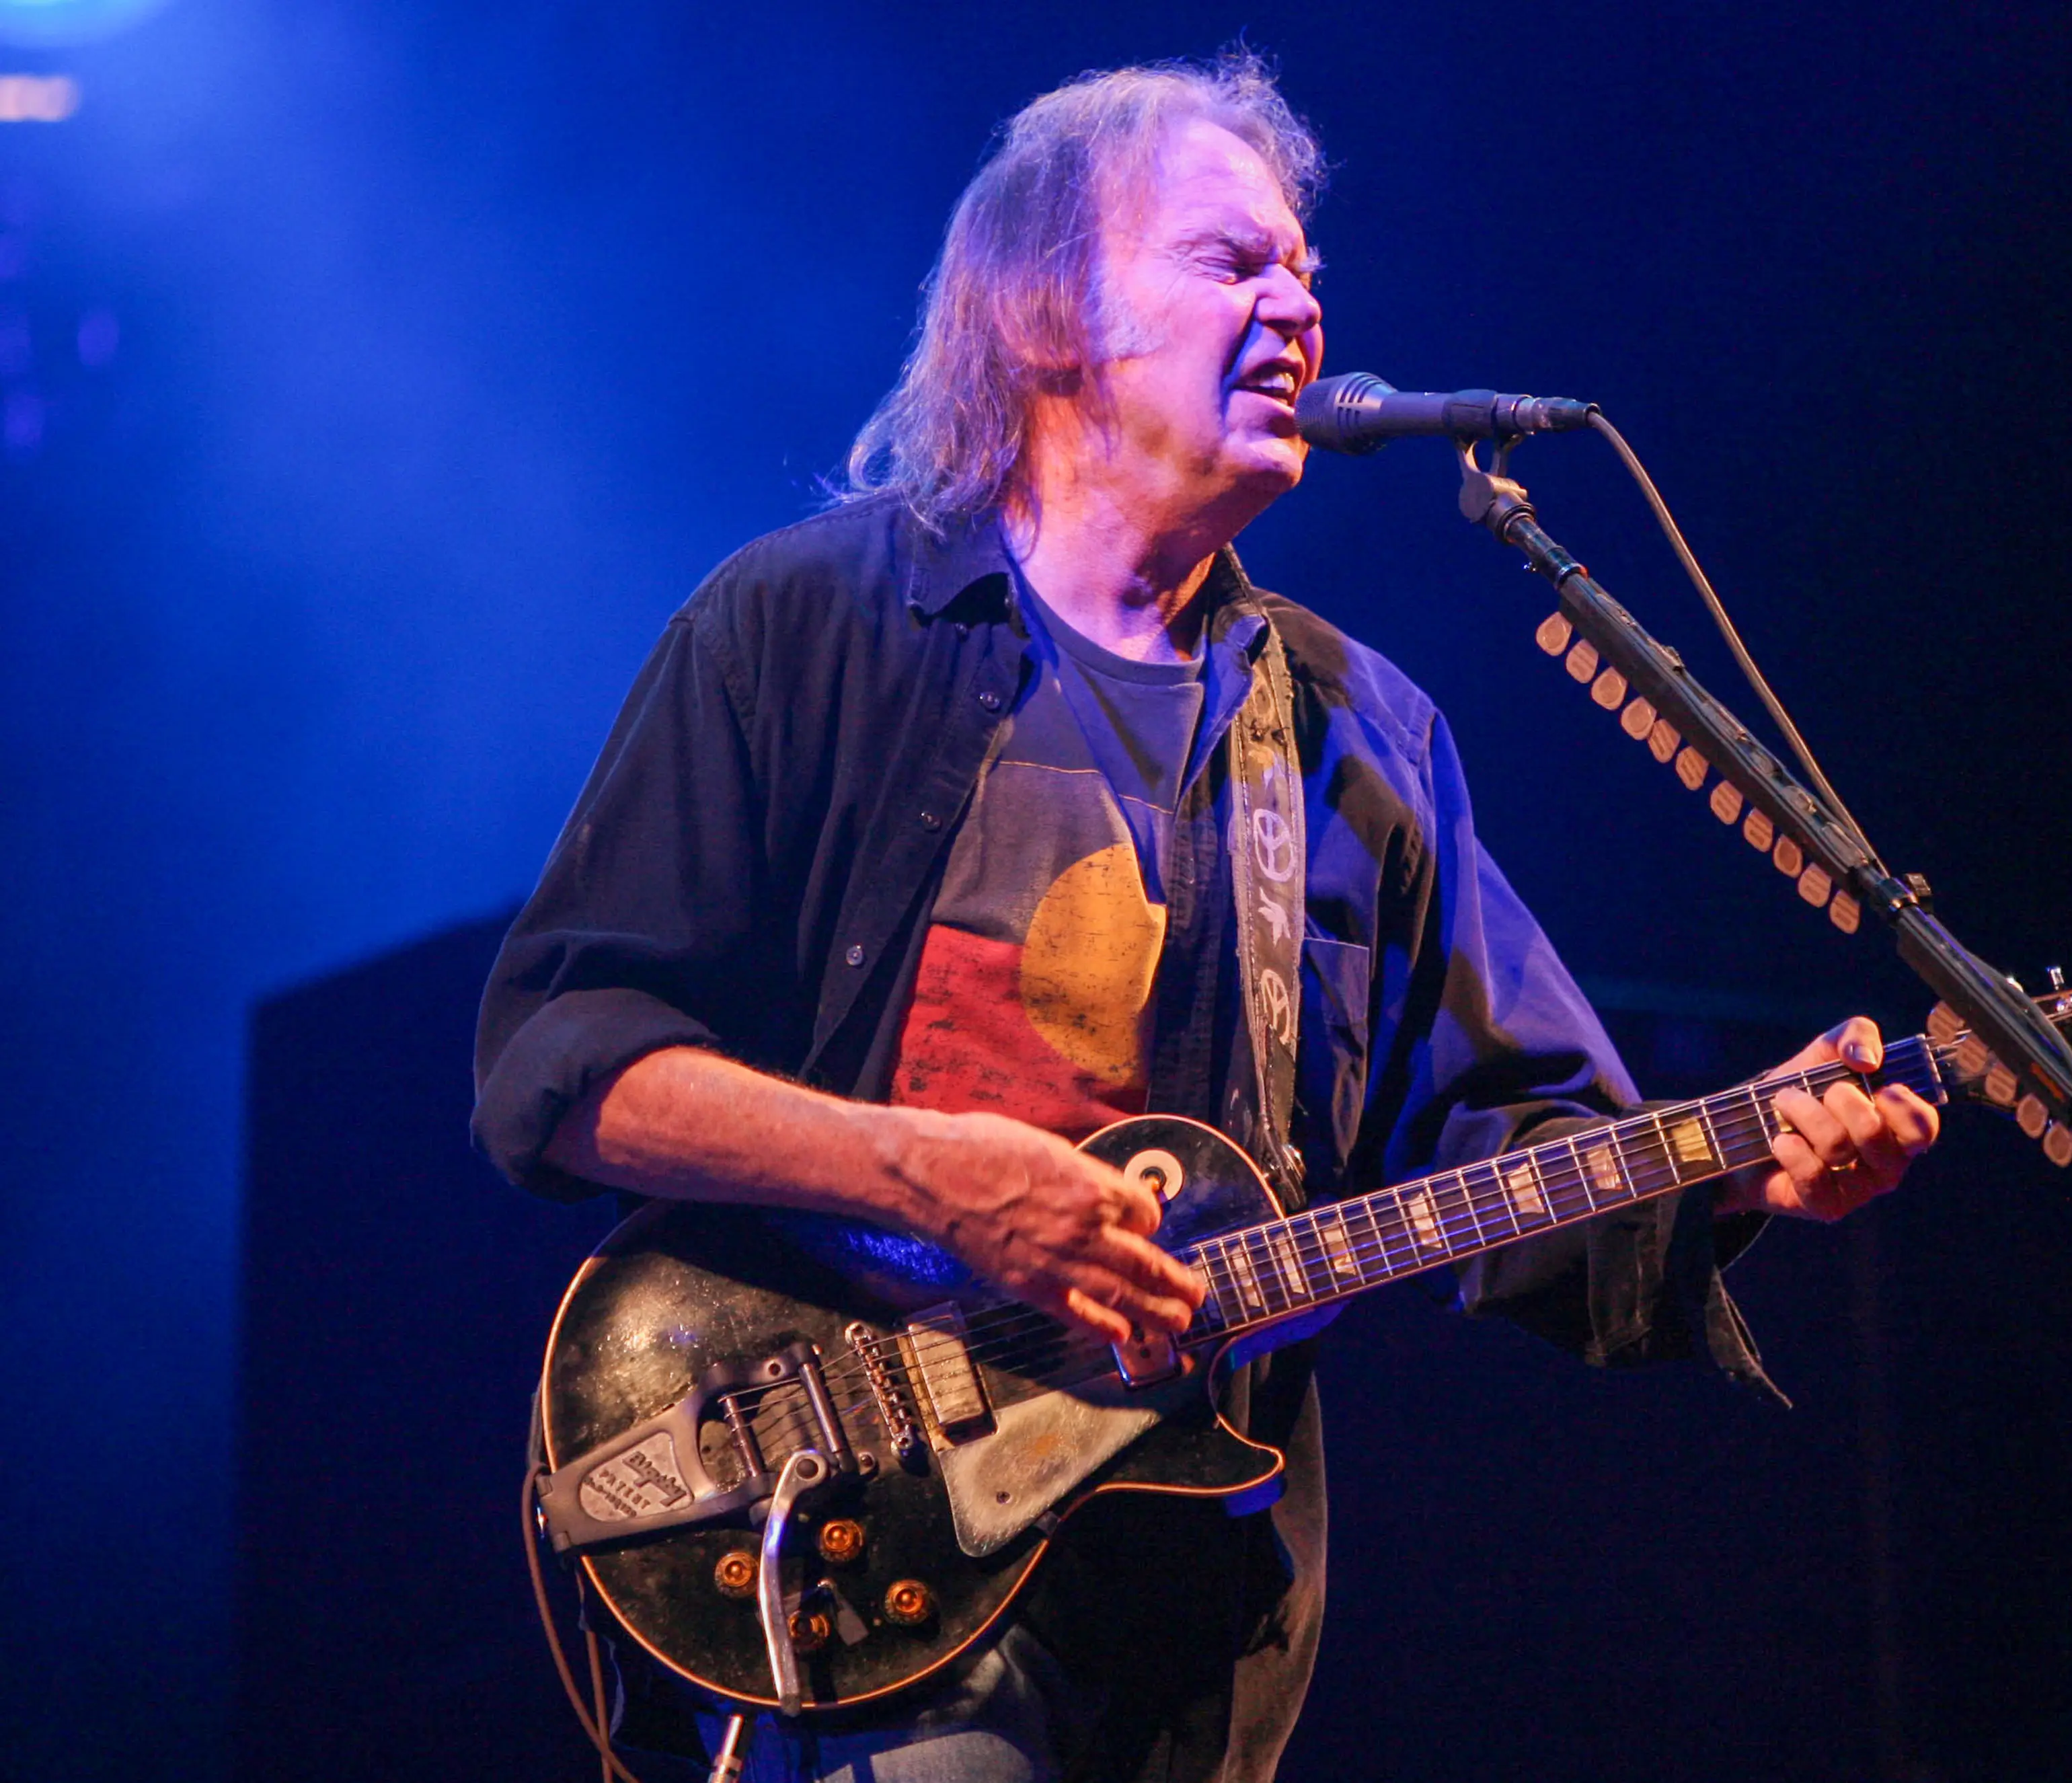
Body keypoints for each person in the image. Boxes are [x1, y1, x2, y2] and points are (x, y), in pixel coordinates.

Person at [473, 52, 1937, 1783]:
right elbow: (562, 1070)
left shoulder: (1354, 735)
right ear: (1043, 316)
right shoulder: (811, 628)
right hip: (865, 1549)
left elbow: (1530, 1153)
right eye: (1232, 263)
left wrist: (1748, 1161)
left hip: (1200, 1615)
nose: (1299, 307)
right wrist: (934, 1175)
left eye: (1308, 270)